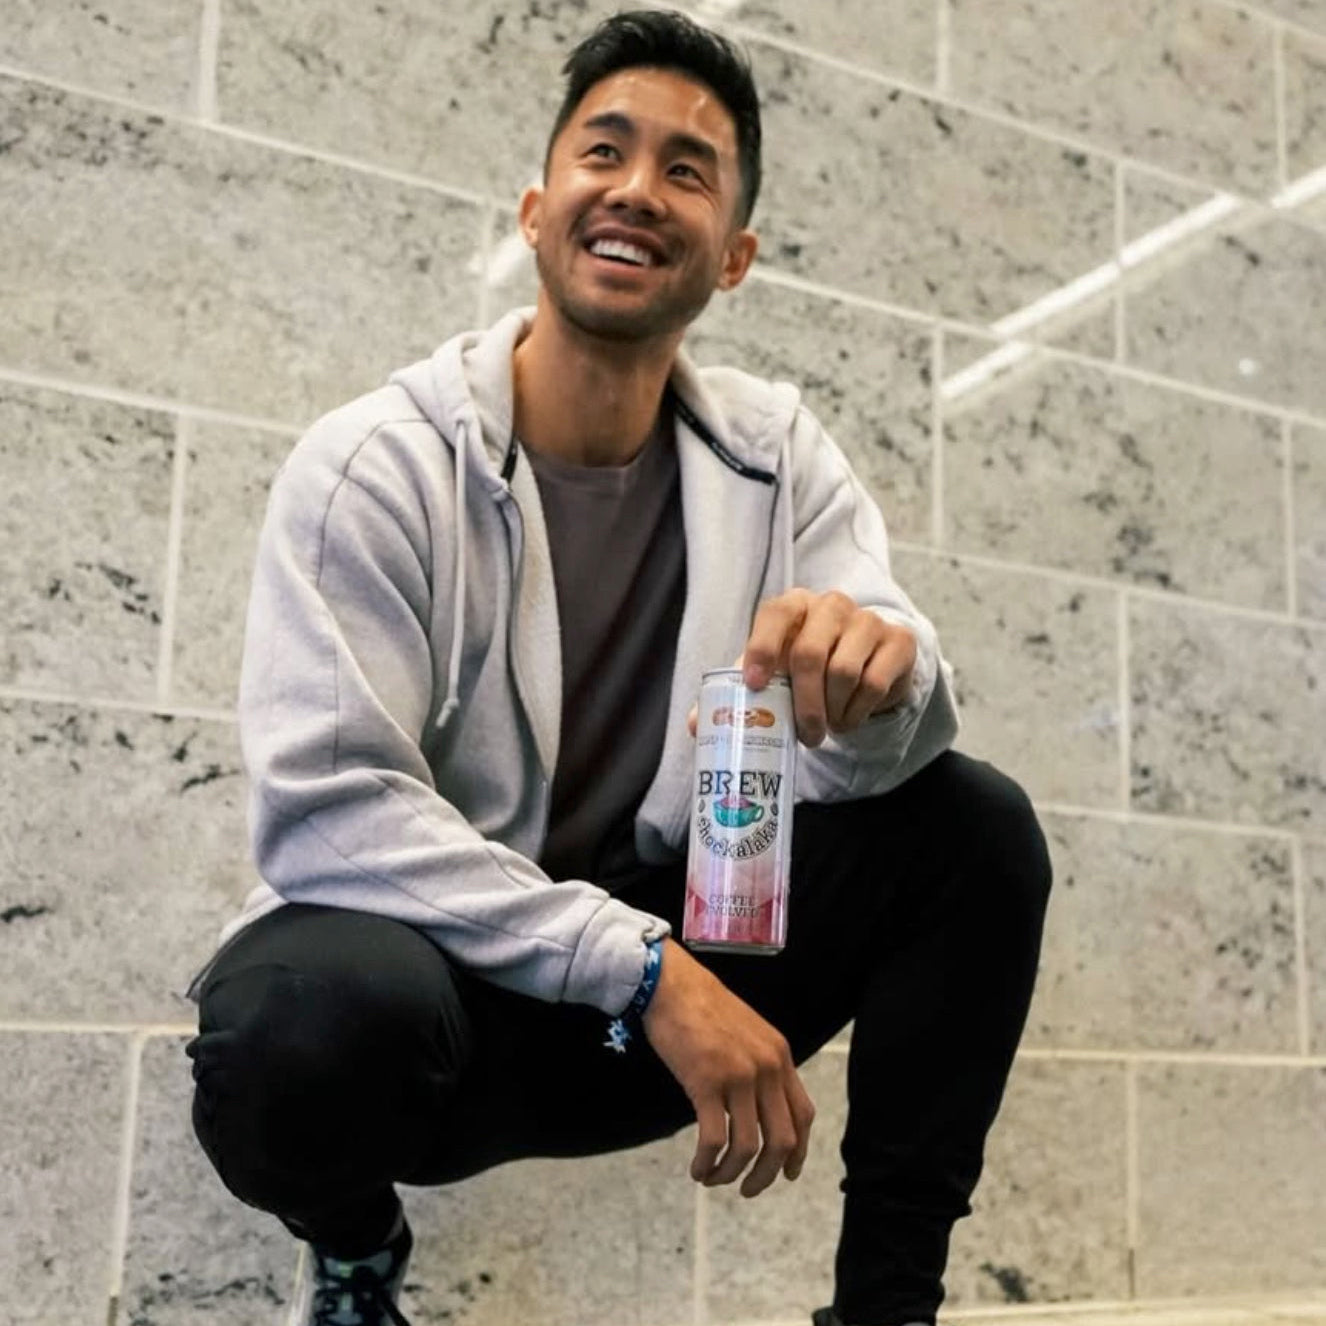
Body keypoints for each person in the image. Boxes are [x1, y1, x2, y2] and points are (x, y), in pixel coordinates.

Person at [185, 10, 1052, 1326]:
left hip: (674, 977)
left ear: (735, 256)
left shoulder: (776, 454)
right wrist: (641, 966)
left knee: (974, 827)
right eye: (607, 152)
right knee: (291, 1027)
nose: (640, 190)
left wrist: (889, 679)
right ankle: (356, 1249)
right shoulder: (373, 464)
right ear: (536, 212)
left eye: (688, 170)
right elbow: (331, 811)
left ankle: (887, 1309)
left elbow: (888, 695)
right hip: (462, 993)